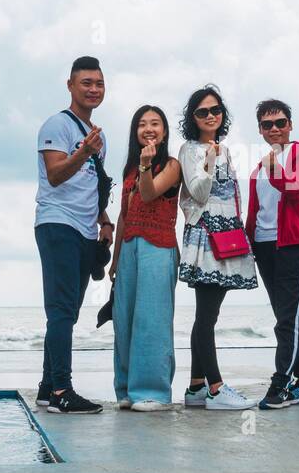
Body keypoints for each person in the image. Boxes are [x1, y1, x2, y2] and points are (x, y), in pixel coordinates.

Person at [34, 56, 113, 414]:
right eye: (86, 83)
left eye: (98, 83)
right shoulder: (58, 125)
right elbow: (55, 174)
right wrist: (84, 152)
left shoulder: (99, 137)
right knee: (61, 310)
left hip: (85, 230)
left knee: (68, 312)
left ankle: (48, 386)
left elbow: (92, 186)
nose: (93, 89)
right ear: (70, 85)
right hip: (57, 224)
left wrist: (105, 221)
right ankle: (63, 393)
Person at [176, 86, 256, 410]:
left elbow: (231, 198)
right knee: (206, 315)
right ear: (192, 118)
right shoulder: (190, 149)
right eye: (202, 112)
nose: (210, 116)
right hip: (205, 238)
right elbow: (197, 192)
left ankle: (196, 387)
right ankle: (216, 388)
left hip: (226, 237)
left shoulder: (223, 149)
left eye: (215, 110)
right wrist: (208, 162)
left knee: (208, 314)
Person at [244, 99, 299, 409]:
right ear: (261, 130)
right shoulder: (258, 167)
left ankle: (281, 383)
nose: (275, 128)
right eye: (268, 125)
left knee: (287, 318)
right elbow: (257, 210)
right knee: (287, 317)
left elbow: (295, 187)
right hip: (265, 246)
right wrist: (248, 243)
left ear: (290, 125)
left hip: (295, 241)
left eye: (280, 122)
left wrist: (274, 167)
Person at [108, 105, 182, 411]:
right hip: (129, 248)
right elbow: (125, 215)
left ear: (164, 131)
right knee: (123, 320)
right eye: (142, 124)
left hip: (159, 246)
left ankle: (153, 392)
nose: (148, 129)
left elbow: (150, 194)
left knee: (152, 320)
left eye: (155, 123)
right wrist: (115, 259)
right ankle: (126, 388)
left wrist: (145, 167)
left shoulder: (172, 165)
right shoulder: (129, 169)